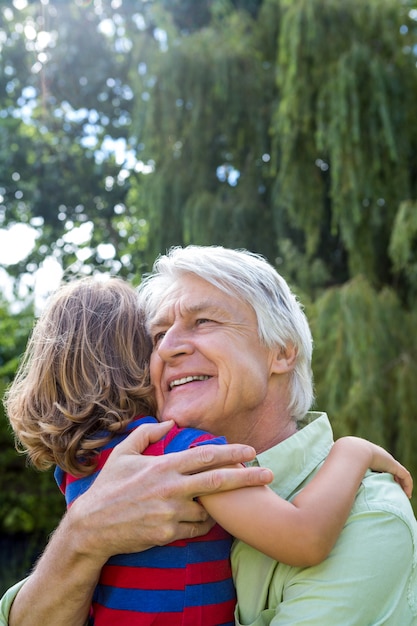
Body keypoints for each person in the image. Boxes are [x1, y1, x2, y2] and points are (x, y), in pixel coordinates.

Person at [1, 245, 416, 625]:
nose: (167, 349)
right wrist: (79, 538)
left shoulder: (369, 518)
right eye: (158, 336)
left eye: (202, 321)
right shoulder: (153, 470)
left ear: (282, 351)